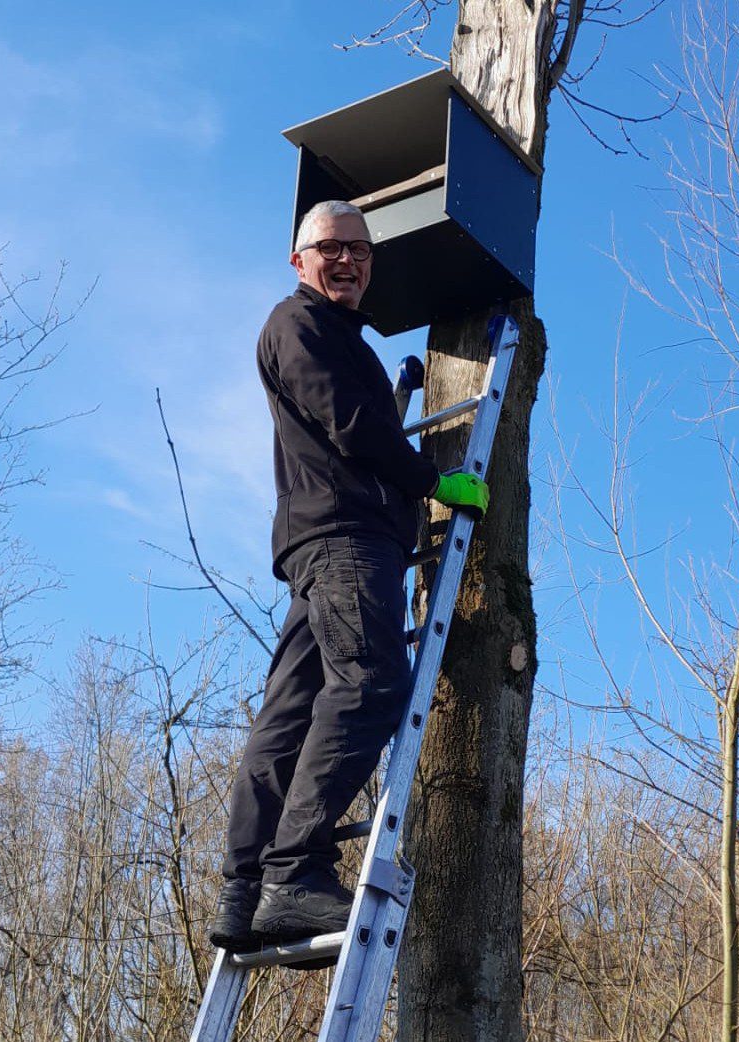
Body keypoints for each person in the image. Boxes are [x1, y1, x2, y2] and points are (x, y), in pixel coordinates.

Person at [209, 200, 490, 950]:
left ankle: (243, 892)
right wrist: (433, 479)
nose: (347, 261)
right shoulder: (295, 324)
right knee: (371, 684)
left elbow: (357, 418)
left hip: (326, 540)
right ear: (298, 261)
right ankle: (294, 873)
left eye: (360, 251)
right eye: (329, 248)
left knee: (292, 713)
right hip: (345, 538)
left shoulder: (336, 336)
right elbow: (350, 424)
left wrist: (392, 399)